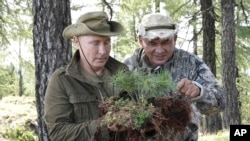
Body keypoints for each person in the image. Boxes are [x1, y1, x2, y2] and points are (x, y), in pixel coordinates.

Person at [124, 12, 225, 141]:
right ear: (141, 41)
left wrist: (199, 92)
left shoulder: (191, 63)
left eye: (166, 42)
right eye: (153, 43)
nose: (159, 50)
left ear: (175, 39)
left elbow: (221, 101)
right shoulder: (129, 67)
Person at [44, 11, 128, 141]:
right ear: (76, 42)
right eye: (95, 43)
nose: (103, 51)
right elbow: (58, 132)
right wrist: (103, 126)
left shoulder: (123, 73)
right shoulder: (62, 80)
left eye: (107, 42)